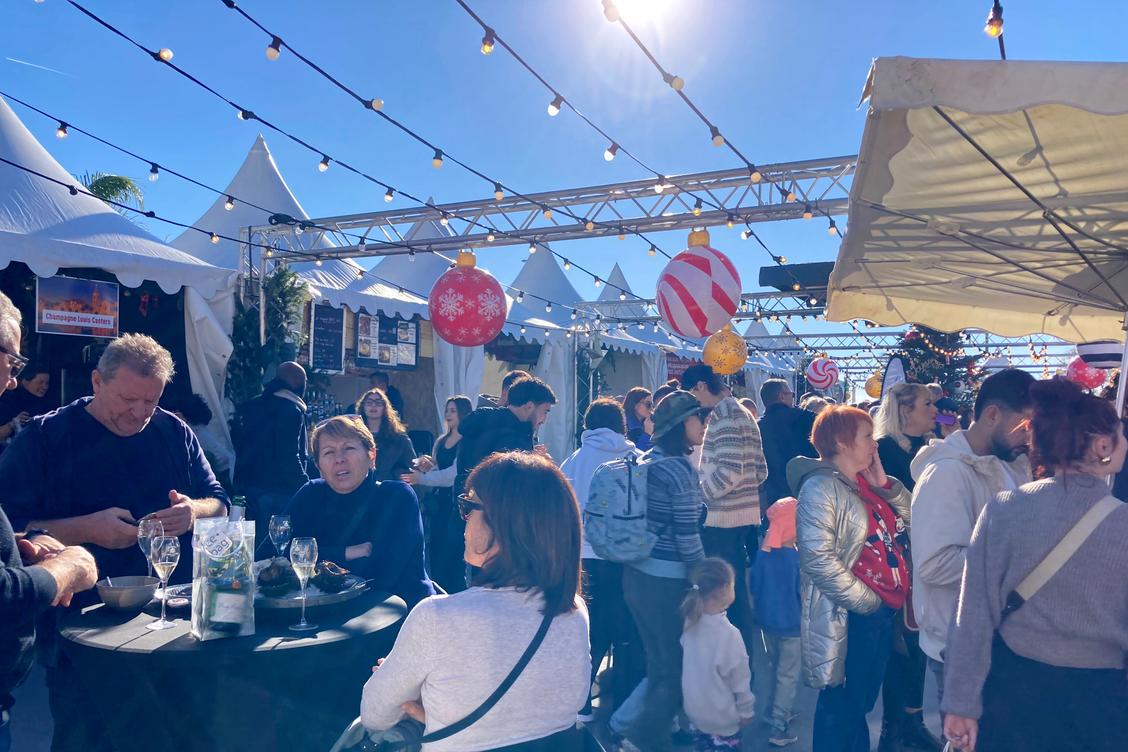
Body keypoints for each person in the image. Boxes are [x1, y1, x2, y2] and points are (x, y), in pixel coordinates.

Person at [0, 333, 229, 752]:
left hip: (171, 626)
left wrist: (192, 512)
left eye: (151, 401)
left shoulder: (173, 431)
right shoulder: (46, 438)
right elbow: (10, 530)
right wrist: (86, 528)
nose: (140, 412)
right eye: (128, 399)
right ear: (97, 383)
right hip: (80, 634)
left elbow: (221, 502)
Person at [942, 378, 1128, 752]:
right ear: (1102, 445)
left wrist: (960, 704)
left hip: (1013, 692)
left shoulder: (1003, 509)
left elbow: (973, 615)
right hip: (1102, 700)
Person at [360, 452, 590, 750]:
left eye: (469, 506)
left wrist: (433, 709)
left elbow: (374, 716)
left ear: (506, 523)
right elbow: (549, 709)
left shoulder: (438, 618)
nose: (464, 519)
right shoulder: (573, 609)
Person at [0, 292, 97, 752]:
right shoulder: (44, 434)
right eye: (13, 364)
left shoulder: (172, 432)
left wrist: (13, 545)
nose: (12, 382)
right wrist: (63, 571)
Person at [787, 405, 911, 752]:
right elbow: (817, 559)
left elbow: (914, 523)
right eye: (867, 437)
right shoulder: (821, 488)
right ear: (842, 442)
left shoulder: (864, 484)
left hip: (878, 612)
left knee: (857, 705)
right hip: (852, 615)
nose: (874, 444)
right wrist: (869, 603)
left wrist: (886, 486)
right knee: (842, 707)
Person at [909, 369, 1034, 712]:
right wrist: (1020, 557)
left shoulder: (1009, 463)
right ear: (993, 415)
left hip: (996, 640)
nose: (1031, 436)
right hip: (960, 644)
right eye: (1025, 424)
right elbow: (935, 565)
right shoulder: (947, 474)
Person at [621, 390, 708, 752]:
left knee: (659, 664)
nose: (703, 424)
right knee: (675, 667)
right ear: (681, 424)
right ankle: (640, 738)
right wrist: (704, 578)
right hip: (666, 583)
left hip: (636, 576)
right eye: (698, 417)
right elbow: (687, 535)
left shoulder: (646, 459)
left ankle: (657, 734)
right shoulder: (678, 469)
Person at [288, 415, 434, 607]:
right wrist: (347, 553)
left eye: (349, 448)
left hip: (399, 620)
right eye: (329, 452)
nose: (339, 459)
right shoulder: (310, 495)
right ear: (318, 466)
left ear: (371, 455)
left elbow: (380, 574)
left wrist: (310, 560)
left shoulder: (396, 497)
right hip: (326, 616)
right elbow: (271, 558)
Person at [560, 398, 644, 721]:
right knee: (627, 631)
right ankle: (624, 703)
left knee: (587, 631)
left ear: (588, 424)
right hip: (628, 557)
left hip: (585, 557)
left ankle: (581, 703)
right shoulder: (635, 457)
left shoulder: (575, 461)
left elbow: (565, 509)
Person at [682, 364, 766, 677]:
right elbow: (760, 471)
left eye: (691, 392)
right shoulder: (741, 412)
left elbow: (731, 471)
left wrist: (701, 496)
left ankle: (732, 671)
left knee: (722, 600)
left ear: (701, 386)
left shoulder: (725, 415)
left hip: (721, 519)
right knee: (734, 597)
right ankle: (740, 670)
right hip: (737, 517)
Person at [435, 377, 556, 593]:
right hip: (495, 521)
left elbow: (453, 459)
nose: (544, 419)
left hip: (464, 507)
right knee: (489, 585)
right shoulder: (516, 438)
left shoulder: (480, 421)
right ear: (529, 407)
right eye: (545, 411)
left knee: (455, 575)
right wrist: (539, 466)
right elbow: (516, 490)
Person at [872, 382, 940, 752]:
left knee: (918, 643)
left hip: (926, 557)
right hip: (897, 562)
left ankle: (910, 722)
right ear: (903, 411)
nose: (934, 408)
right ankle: (894, 729)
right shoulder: (883, 450)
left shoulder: (930, 448)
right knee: (901, 644)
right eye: (926, 403)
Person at [680, 558, 755, 751]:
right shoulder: (730, 635)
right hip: (723, 718)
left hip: (696, 712)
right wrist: (746, 710)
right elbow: (740, 679)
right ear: (724, 590)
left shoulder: (690, 622)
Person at [233, 361, 310, 535]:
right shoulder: (291, 410)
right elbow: (289, 457)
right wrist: (305, 487)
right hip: (278, 493)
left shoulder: (251, 405)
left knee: (252, 548)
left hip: (248, 490)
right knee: (274, 552)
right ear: (299, 383)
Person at [401, 396, 472, 575]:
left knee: (452, 557)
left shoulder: (467, 442)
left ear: (463, 413)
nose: (448, 414)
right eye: (447, 410)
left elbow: (452, 476)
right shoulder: (441, 440)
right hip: (439, 503)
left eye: (453, 410)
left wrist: (422, 479)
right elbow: (439, 470)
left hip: (456, 504)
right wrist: (426, 467)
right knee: (436, 552)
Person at [751, 498, 802, 748]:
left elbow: (755, 588)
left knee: (773, 669)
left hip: (767, 624)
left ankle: (771, 711)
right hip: (792, 626)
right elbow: (802, 594)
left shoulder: (763, 554)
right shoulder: (795, 560)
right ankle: (779, 725)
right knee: (787, 675)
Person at [759, 379, 817, 520]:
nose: (793, 397)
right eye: (791, 394)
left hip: (773, 492)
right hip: (806, 488)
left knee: (777, 534)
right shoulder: (805, 418)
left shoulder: (758, 426)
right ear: (781, 396)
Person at [356, 387, 417, 482]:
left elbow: (411, 467)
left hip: (389, 490)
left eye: (378, 403)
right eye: (369, 402)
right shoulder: (354, 437)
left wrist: (395, 475)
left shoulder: (399, 438)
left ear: (385, 408)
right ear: (363, 407)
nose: (373, 405)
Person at [0, 363, 55, 451]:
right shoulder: (7, 402)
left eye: (47, 383)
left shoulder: (48, 405)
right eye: (40, 382)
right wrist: (13, 424)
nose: (44, 387)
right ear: (25, 381)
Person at [623, 387, 655, 451]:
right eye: (648, 404)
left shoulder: (650, 422)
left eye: (652, 405)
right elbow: (633, 454)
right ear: (634, 404)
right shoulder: (624, 425)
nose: (651, 408)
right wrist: (647, 434)